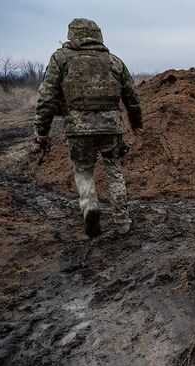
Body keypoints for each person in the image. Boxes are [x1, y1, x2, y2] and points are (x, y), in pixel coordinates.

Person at [34, 18, 143, 238]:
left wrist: (42, 131)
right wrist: (136, 123)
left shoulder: (61, 59)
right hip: (111, 127)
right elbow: (132, 96)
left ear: (72, 35)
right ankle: (122, 221)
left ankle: (90, 206)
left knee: (83, 170)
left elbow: (47, 98)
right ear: (98, 35)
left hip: (78, 128)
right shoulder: (114, 61)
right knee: (114, 170)